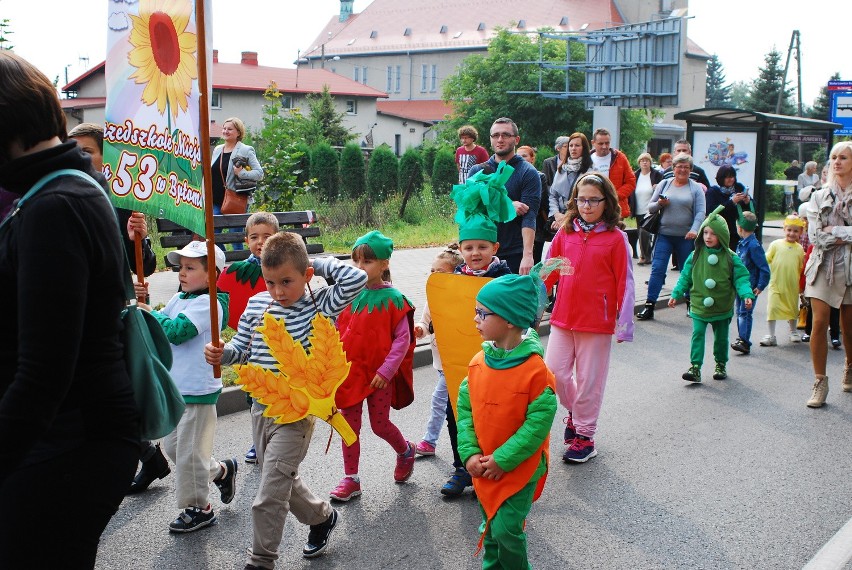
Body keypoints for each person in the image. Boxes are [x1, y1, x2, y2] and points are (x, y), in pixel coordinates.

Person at [0, 50, 139, 567]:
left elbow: (44, 372)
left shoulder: (53, 206)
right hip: (68, 440)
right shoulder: (65, 187)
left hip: (65, 446)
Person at [205, 232, 367, 566]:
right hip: (261, 409)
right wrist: (223, 354)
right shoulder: (256, 304)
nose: (278, 292)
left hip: (297, 415)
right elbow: (243, 350)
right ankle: (322, 517)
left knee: (268, 496)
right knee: (279, 480)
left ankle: (261, 559)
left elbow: (357, 277)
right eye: (270, 282)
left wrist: (312, 264)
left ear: (306, 275)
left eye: (286, 281)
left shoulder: (317, 302)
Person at [67, 122, 171, 495]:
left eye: (86, 151)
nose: (78, 157)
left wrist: (136, 241)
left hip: (112, 312)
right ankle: (149, 456)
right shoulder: (66, 194)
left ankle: (138, 457)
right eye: (72, 148)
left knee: (112, 393)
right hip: (79, 308)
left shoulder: (119, 200)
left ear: (105, 159)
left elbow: (145, 262)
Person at [456, 273, 557, 569]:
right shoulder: (477, 363)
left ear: (510, 320)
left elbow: (537, 425)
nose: (475, 319)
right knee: (490, 526)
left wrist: (504, 459)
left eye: (482, 313)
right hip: (486, 465)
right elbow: (466, 412)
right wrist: (470, 452)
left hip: (519, 468)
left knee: (506, 529)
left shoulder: (537, 371)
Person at [138, 241, 237, 532]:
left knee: (190, 453)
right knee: (175, 446)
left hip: (199, 388)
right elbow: (163, 318)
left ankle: (199, 508)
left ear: (212, 275)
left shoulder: (212, 304)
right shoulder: (181, 298)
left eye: (190, 267)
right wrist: (146, 304)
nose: (181, 273)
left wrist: (149, 313)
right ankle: (221, 471)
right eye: (180, 267)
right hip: (177, 387)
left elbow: (177, 331)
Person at [543, 172, 634, 462]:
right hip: (563, 316)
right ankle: (576, 414)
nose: (587, 206)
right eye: (582, 199)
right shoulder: (566, 232)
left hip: (596, 320)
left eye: (594, 200)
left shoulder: (616, 238)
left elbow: (625, 281)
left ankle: (585, 436)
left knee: (589, 380)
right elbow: (551, 269)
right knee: (553, 373)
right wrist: (532, 300)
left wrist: (625, 324)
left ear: (606, 202)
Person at [331, 231, 417, 501]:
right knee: (348, 427)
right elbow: (336, 330)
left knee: (380, 425)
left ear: (384, 265)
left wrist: (386, 371)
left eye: (367, 262)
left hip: (379, 377)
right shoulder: (345, 296)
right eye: (356, 262)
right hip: (350, 375)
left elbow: (402, 341)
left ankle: (405, 451)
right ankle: (351, 479)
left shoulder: (394, 299)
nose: (359, 268)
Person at [217, 212, 279, 464]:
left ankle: (278, 438)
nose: (260, 242)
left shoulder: (282, 268)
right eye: (254, 237)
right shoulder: (238, 272)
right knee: (254, 394)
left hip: (279, 343)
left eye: (267, 236)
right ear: (246, 240)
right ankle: (258, 440)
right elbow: (223, 298)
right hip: (250, 344)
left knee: (276, 391)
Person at [668, 206, 755, 382]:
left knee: (721, 338)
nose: (708, 237)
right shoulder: (695, 255)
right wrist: (676, 294)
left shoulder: (730, 257)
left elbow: (742, 278)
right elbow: (685, 276)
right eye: (705, 232)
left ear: (721, 236)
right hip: (699, 304)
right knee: (698, 334)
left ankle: (720, 364)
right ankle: (695, 367)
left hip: (722, 306)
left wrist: (746, 294)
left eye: (713, 234)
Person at [803, 141, 852, 408]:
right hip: (823, 265)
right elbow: (815, 237)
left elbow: (827, 232)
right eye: (833, 157)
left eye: (843, 157)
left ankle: (849, 365)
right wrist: (843, 234)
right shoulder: (819, 196)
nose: (837, 162)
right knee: (819, 323)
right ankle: (820, 381)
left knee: (849, 327)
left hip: (851, 266)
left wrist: (834, 230)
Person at [636, 153, 706, 320]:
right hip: (664, 235)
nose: (682, 170)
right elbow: (650, 207)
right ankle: (649, 306)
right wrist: (660, 203)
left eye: (686, 167)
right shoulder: (664, 184)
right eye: (679, 166)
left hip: (686, 237)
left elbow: (701, 212)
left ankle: (691, 304)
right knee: (657, 269)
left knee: (687, 271)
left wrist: (695, 229)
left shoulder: (695, 188)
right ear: (673, 168)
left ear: (690, 170)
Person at [468, 117, 541, 275]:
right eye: (495, 135)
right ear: (490, 139)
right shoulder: (477, 172)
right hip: (481, 252)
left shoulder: (528, 173)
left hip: (513, 253)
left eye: (505, 135)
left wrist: (528, 256)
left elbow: (530, 217)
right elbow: (470, 210)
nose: (500, 140)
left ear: (516, 139)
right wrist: (506, 206)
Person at [414, 245, 466, 459]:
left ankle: (430, 440)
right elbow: (426, 322)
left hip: (457, 363)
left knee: (441, 400)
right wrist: (420, 330)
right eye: (432, 271)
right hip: (441, 362)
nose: (434, 276)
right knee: (452, 406)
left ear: (456, 275)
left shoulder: (462, 297)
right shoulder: (431, 298)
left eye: (440, 272)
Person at [759, 215, 805, 347]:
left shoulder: (800, 249)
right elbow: (765, 260)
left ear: (800, 232)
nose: (792, 233)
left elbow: (801, 268)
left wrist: (802, 286)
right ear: (784, 229)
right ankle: (771, 335)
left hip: (792, 286)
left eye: (795, 231)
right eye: (789, 230)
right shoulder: (775, 245)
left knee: (792, 309)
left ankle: (793, 331)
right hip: (776, 284)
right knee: (772, 308)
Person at [731, 211, 771, 355]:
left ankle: (745, 342)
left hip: (750, 286)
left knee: (745, 313)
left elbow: (764, 269)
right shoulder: (743, 243)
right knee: (740, 312)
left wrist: (760, 286)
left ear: (740, 227)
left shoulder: (754, 246)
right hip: (740, 285)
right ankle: (742, 338)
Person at [211, 117, 263, 221]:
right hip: (215, 200)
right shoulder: (217, 149)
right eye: (224, 128)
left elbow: (259, 173)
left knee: (235, 233)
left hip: (236, 199)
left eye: (229, 129)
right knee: (214, 233)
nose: (225, 131)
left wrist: (242, 173)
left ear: (238, 133)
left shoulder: (245, 150)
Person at [544, 133, 593, 234]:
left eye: (577, 145)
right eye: (571, 145)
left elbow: (588, 200)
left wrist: (566, 218)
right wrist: (557, 215)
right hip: (559, 218)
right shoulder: (562, 168)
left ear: (584, 148)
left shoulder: (591, 171)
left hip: (581, 220)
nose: (573, 148)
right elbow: (553, 195)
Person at [590, 128, 636, 218]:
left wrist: (613, 196)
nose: (604, 146)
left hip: (615, 208)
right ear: (593, 143)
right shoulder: (587, 159)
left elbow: (631, 181)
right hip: (592, 207)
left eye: (607, 143)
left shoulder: (620, 157)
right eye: (600, 143)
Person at [705, 165, 751, 252]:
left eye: (732, 176)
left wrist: (747, 201)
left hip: (737, 232)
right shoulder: (713, 191)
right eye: (727, 177)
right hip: (719, 232)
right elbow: (711, 212)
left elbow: (750, 209)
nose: (731, 179)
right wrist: (731, 202)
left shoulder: (739, 188)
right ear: (721, 178)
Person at [517, 145, 550, 264]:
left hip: (536, 227)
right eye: (518, 156)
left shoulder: (540, 176)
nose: (521, 159)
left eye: (524, 156)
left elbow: (541, 202)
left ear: (532, 158)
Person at [632, 152, 663, 265]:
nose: (644, 162)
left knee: (644, 231)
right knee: (641, 233)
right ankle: (646, 255)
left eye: (647, 160)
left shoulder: (657, 175)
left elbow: (663, 188)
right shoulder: (635, 175)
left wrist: (657, 187)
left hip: (651, 209)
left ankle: (645, 256)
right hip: (638, 208)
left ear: (650, 162)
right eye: (642, 160)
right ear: (639, 163)